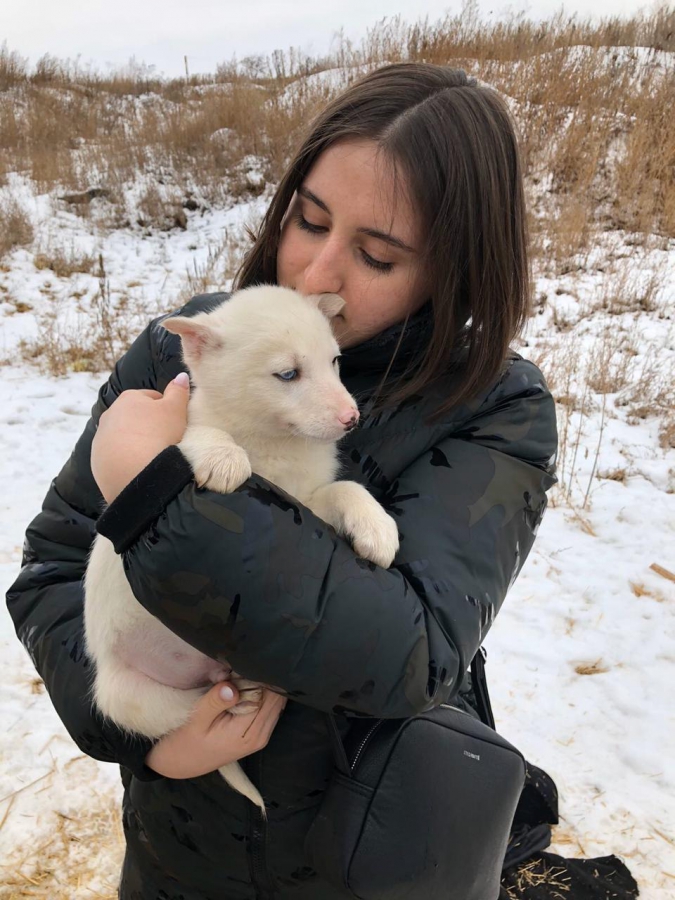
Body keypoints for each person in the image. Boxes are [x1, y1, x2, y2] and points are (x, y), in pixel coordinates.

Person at [5, 63, 637, 900]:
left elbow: (409, 654)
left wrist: (157, 494)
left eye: (376, 254)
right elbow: (53, 569)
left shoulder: (491, 409)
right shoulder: (187, 349)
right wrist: (146, 736)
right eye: (308, 218)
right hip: (177, 849)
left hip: (367, 854)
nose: (313, 275)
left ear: (453, 267)